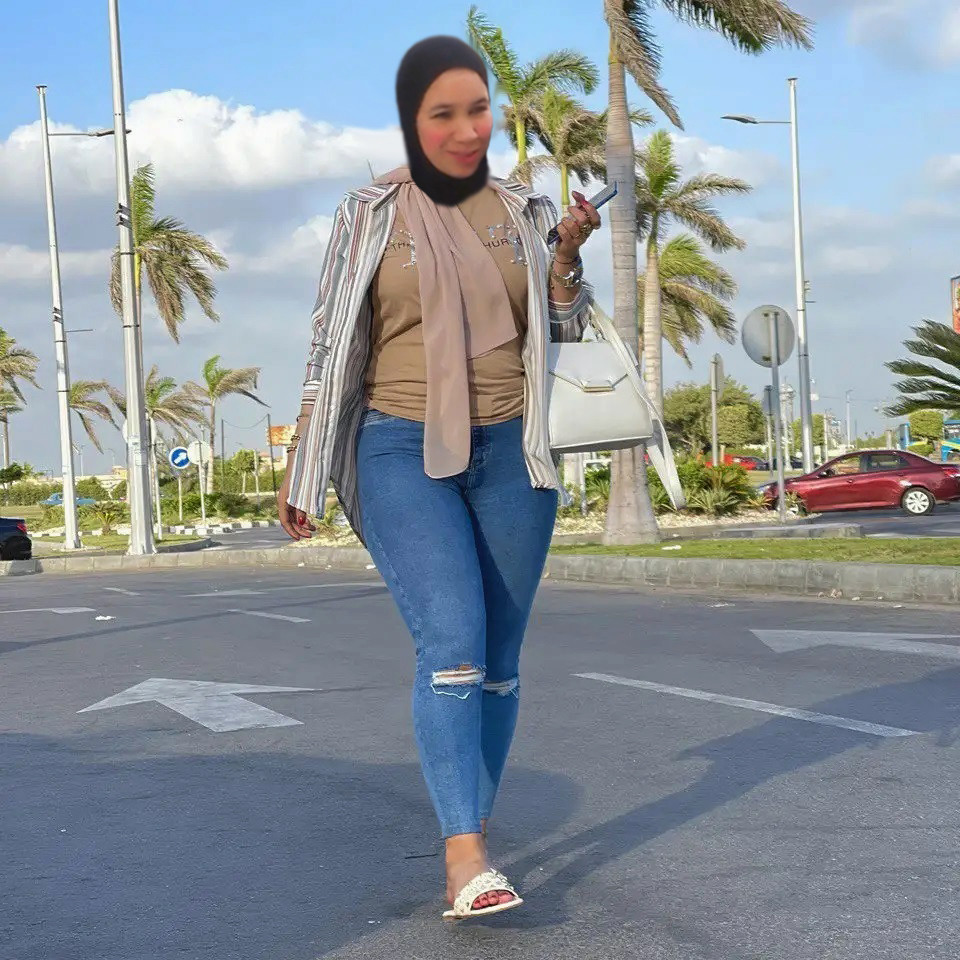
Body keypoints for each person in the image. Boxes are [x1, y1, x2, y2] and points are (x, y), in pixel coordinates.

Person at [278, 35, 599, 920]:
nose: (463, 127)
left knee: (499, 664)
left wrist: (567, 258)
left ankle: (474, 837)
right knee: (453, 642)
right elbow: (329, 337)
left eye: (476, 109)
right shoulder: (369, 212)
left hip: (514, 452)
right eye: (441, 112)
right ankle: (465, 858)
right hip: (398, 444)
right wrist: (304, 457)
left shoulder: (527, 209)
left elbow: (565, 332)